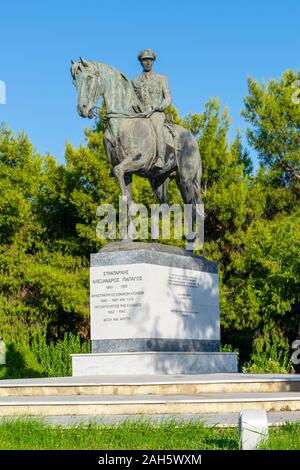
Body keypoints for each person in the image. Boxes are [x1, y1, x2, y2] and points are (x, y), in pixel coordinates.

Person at [132, 49, 172, 170]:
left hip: (155, 113)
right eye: (145, 60)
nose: (148, 62)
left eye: (150, 60)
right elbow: (131, 100)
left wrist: (162, 106)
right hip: (140, 114)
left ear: (153, 61)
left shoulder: (161, 78)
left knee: (157, 126)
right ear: (141, 62)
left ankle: (160, 158)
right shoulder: (134, 81)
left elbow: (168, 97)